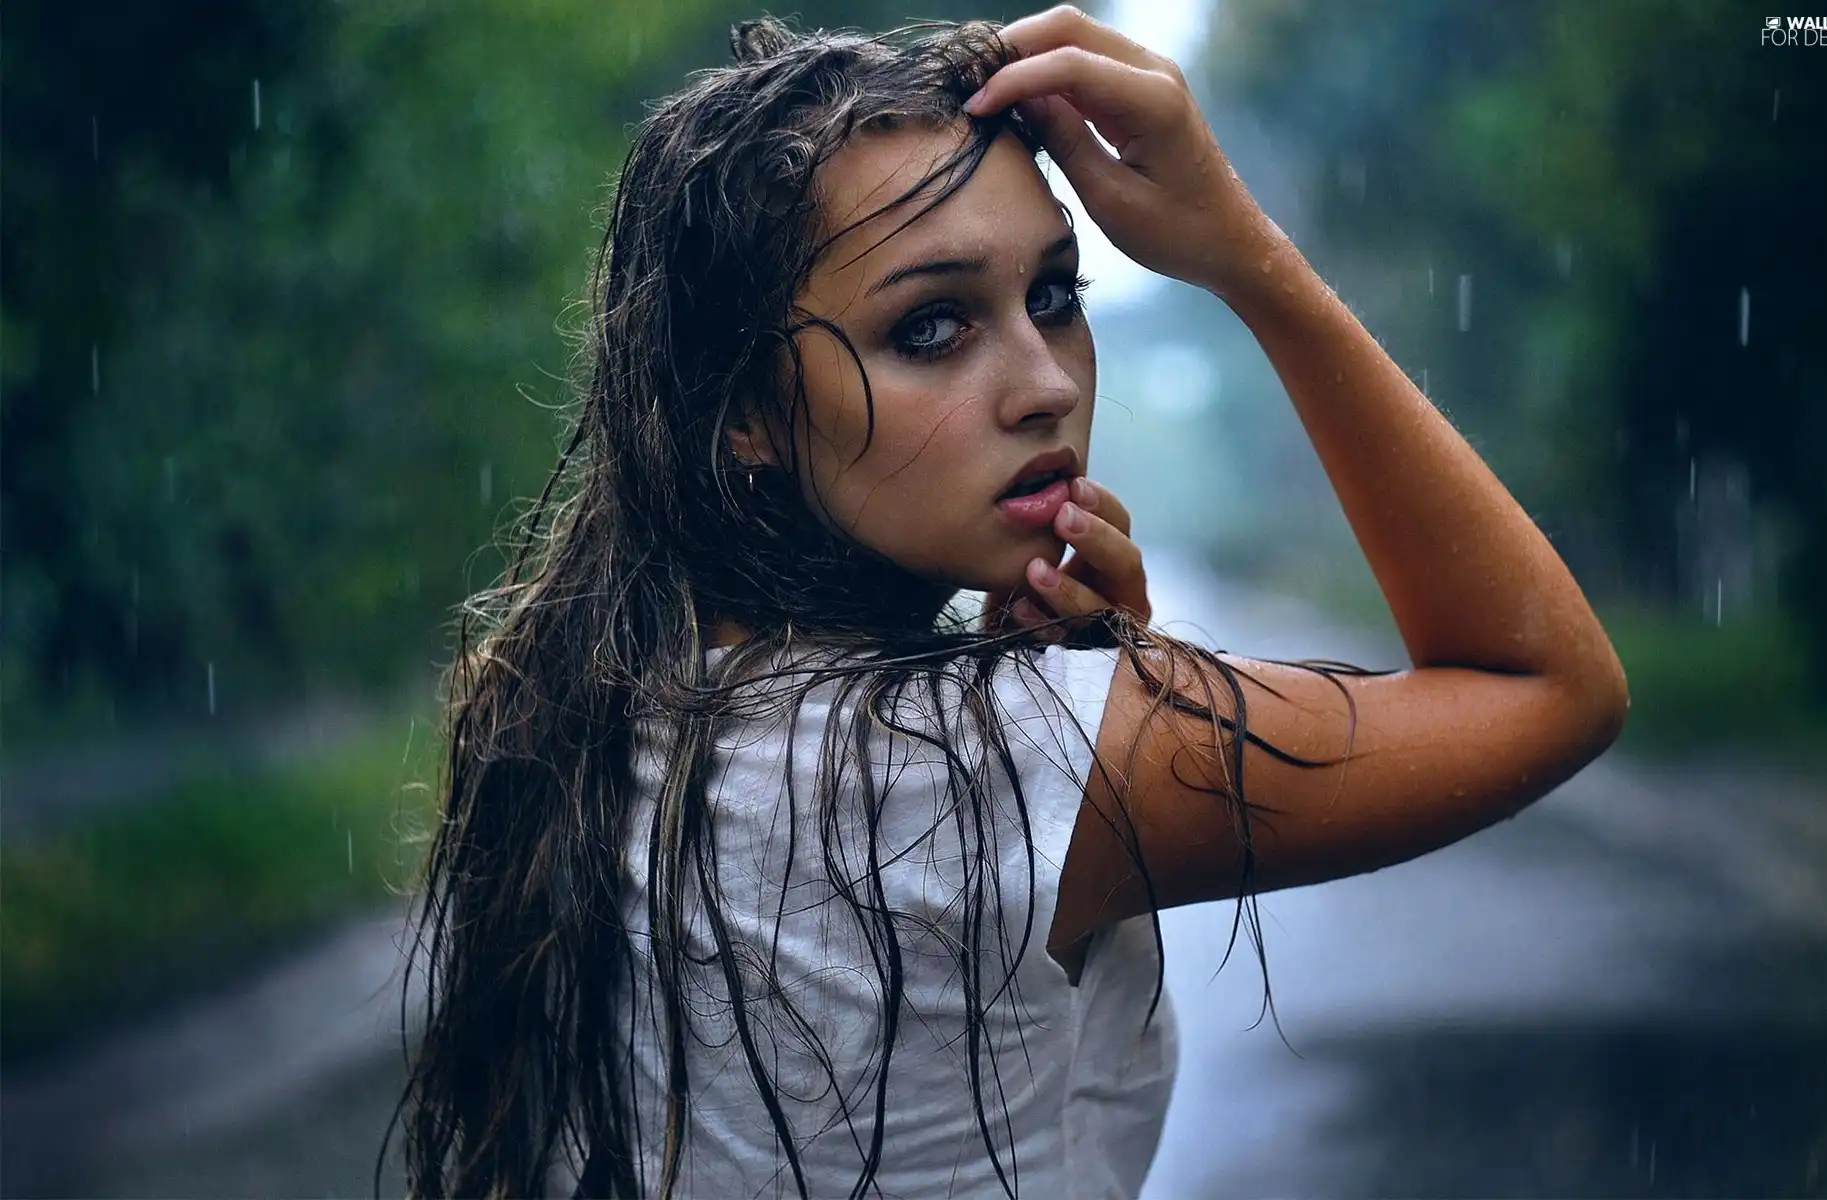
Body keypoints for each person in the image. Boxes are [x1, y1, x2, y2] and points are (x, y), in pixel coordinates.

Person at [389, 7, 1630, 1198]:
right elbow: (1548, 686)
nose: (1042, 383)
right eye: (931, 327)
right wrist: (1247, 259)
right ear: (746, 416)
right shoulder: (1002, 758)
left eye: (1052, 295)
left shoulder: (607, 721)